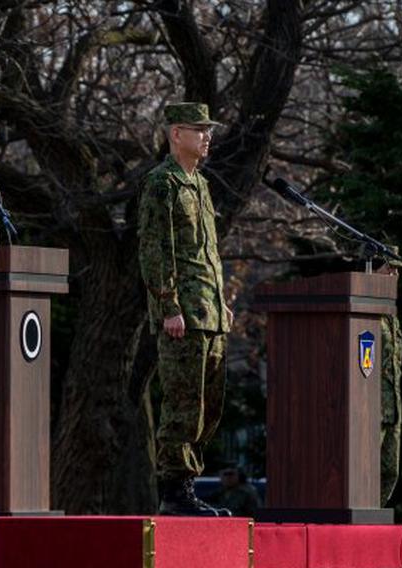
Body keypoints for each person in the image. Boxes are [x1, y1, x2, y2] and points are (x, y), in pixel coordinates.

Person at [138, 102, 233, 516]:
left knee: (209, 404)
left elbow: (208, 252)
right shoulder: (163, 184)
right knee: (182, 403)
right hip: (183, 316)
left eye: (208, 130)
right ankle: (174, 491)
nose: (207, 137)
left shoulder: (201, 184)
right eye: (198, 130)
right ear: (176, 134)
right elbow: (155, 249)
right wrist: (168, 306)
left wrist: (222, 302)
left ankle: (189, 484)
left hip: (209, 312)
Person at [377, 251, 402, 505]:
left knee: (390, 471)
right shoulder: (365, 312)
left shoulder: (390, 315)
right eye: (390, 269)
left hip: (392, 408)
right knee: (363, 471)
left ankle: (373, 514)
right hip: (370, 410)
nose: (394, 275)